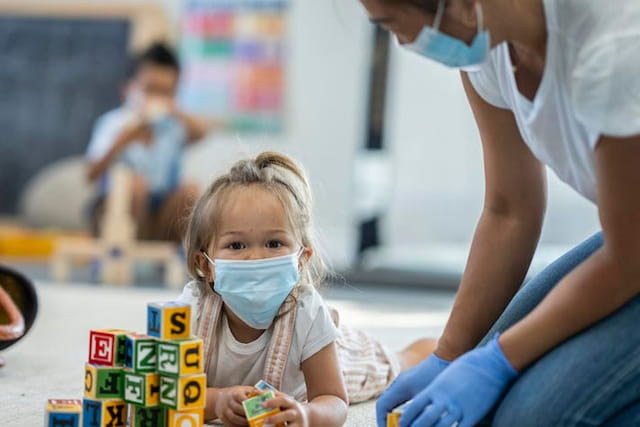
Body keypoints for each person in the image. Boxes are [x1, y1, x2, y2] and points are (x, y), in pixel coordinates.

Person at [356, 0, 640, 425]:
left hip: (629, 252)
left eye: (394, 25)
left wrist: (497, 361)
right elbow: (510, 209)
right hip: (629, 240)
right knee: (489, 399)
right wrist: (449, 354)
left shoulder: (613, 50)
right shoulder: (487, 48)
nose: (401, 41)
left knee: (531, 417)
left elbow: (626, 262)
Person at [177, 152, 435, 426]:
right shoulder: (189, 310)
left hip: (332, 356)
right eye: (236, 246)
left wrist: (306, 414)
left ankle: (439, 349)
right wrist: (216, 401)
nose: (257, 258)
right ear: (204, 264)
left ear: (301, 259)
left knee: (395, 365)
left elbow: (334, 400)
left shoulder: (306, 311)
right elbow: (166, 390)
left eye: (274, 243)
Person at [86, 42, 210, 242]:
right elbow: (90, 175)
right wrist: (124, 140)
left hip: (159, 208)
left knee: (191, 191)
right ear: (128, 88)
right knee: (136, 185)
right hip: (115, 207)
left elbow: (202, 132)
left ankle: (170, 256)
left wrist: (175, 111)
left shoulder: (173, 126)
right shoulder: (114, 122)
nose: (158, 98)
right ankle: (127, 249)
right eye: (150, 89)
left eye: (166, 92)